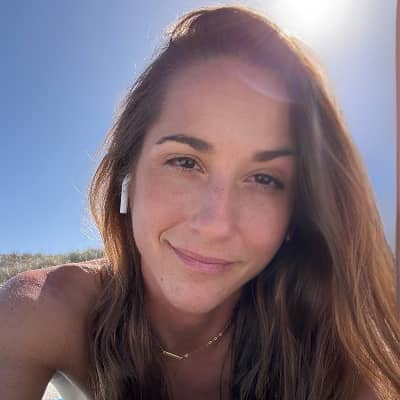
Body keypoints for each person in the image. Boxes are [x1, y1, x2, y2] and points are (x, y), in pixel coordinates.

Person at [1, 5, 399, 400]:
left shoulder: (333, 339)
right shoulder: (44, 310)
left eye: (264, 179)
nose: (216, 223)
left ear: (296, 211)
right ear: (127, 175)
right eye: (185, 162)